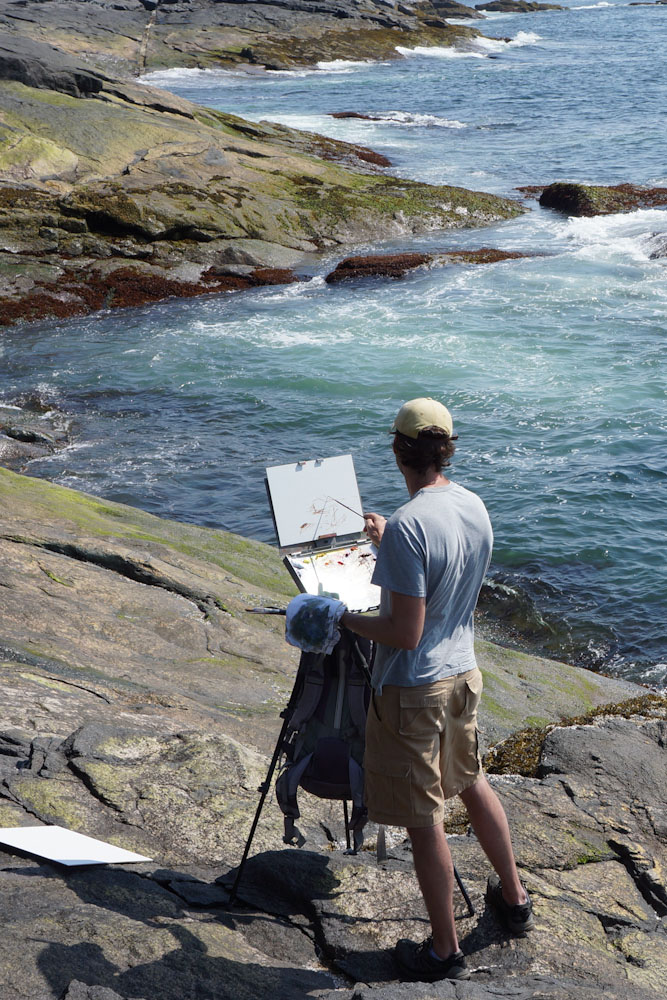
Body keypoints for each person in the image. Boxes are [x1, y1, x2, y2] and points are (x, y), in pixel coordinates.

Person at [340, 397, 534, 983]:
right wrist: (387, 541)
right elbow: (445, 578)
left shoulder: (408, 527)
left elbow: (403, 631)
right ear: (445, 449)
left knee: (424, 819)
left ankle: (443, 952)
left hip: (414, 690)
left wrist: (341, 615)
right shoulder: (472, 506)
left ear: (398, 450)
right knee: (472, 783)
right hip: (463, 675)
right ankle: (516, 900)